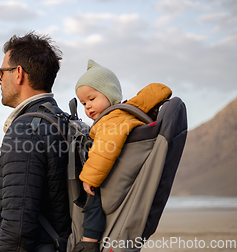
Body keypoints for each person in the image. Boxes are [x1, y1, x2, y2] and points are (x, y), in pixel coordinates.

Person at [0, 32, 71, 252]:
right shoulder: (62, 121)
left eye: (2, 72)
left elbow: (18, 227)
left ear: (18, 73)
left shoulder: (25, 130)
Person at [72, 59, 172, 252]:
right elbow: (151, 94)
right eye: (83, 103)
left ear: (110, 94)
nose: (87, 107)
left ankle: (89, 241)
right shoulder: (126, 112)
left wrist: (89, 178)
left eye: (92, 99)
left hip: (112, 178)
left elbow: (104, 150)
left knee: (93, 201)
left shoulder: (111, 121)